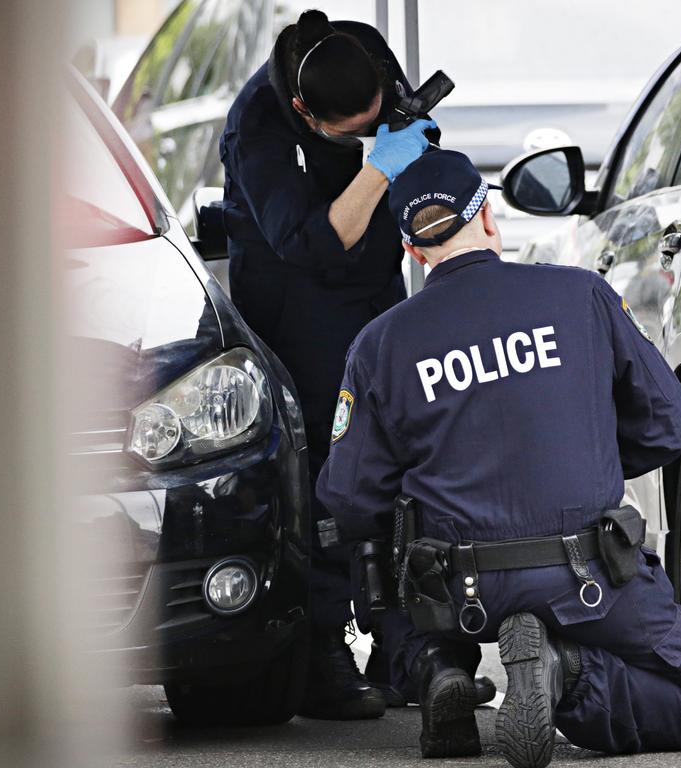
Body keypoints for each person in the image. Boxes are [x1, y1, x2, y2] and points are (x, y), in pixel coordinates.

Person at [316, 150, 681, 764]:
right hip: (588, 575)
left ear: (412, 252)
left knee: (378, 547)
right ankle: (567, 675)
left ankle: (435, 672)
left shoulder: (380, 344)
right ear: (488, 218)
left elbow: (349, 501)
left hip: (457, 591)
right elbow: (667, 425)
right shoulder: (581, 293)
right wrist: (581, 456)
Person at [218, 9, 436, 720]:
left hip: (375, 286)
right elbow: (317, 243)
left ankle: (403, 643)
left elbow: (410, 149)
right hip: (299, 302)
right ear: (309, 116)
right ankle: (321, 649)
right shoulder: (256, 128)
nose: (369, 132)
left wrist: (412, 147)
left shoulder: (362, 52)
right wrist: (379, 166)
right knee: (329, 472)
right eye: (354, 131)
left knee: (404, 450)